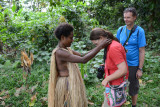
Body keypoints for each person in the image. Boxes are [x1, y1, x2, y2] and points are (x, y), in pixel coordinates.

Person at [48, 23, 111, 107]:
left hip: (69, 82)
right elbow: (83, 60)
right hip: (65, 85)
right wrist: (100, 47)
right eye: (71, 38)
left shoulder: (66, 49)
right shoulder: (60, 52)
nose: (72, 40)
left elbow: (82, 55)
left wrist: (99, 46)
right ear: (63, 37)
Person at [90, 28, 129, 107]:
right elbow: (116, 62)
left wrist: (107, 79)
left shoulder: (113, 47)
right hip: (113, 83)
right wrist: (106, 65)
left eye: (96, 44)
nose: (97, 46)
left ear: (101, 38)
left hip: (116, 84)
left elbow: (123, 70)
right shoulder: (109, 45)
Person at [116, 7, 146, 107]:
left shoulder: (139, 31)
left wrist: (140, 69)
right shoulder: (120, 29)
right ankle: (120, 103)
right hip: (121, 63)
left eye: (128, 17)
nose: (126, 19)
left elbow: (142, 51)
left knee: (133, 86)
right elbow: (116, 47)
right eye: (124, 17)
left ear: (134, 18)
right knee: (119, 85)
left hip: (133, 64)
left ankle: (133, 105)